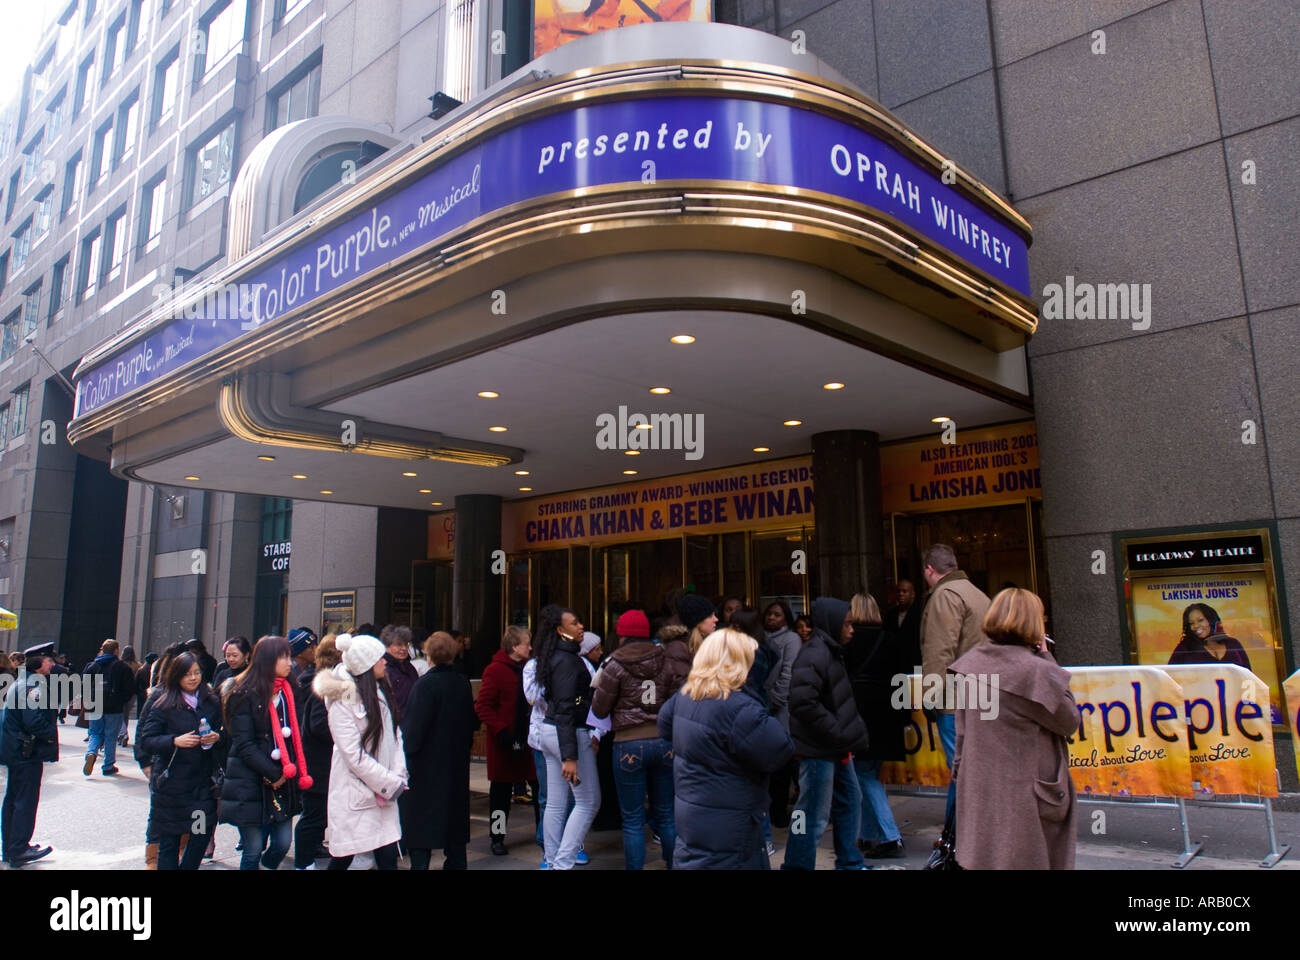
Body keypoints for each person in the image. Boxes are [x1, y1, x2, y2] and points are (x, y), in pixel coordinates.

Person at [951, 588, 1077, 869]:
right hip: (1026, 797)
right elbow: (1069, 720)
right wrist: (1047, 658)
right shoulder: (1035, 672)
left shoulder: (970, 665)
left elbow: (962, 731)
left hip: (980, 791)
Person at [657, 629, 794, 869]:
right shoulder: (739, 706)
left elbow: (665, 725)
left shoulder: (687, 695)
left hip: (693, 812)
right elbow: (780, 750)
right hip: (730, 818)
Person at [590, 608, 690, 869]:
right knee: (666, 813)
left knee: (632, 818)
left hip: (628, 743)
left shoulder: (614, 664)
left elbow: (599, 709)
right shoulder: (666, 660)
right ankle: (675, 865)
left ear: (622, 635)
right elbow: (675, 698)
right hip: (663, 742)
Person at [782, 597, 870, 871]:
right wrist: (836, 731)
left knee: (849, 801)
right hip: (819, 749)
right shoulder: (816, 654)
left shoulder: (829, 651)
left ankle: (850, 862)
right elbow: (803, 702)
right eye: (847, 624)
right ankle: (798, 866)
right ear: (833, 624)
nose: (852, 630)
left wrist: (839, 735)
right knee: (811, 814)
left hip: (833, 746)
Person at [312, 633, 408, 870]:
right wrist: (388, 782)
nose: (385, 662)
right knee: (345, 855)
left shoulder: (378, 691)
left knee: (386, 853)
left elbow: (395, 736)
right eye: (379, 658)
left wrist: (396, 775)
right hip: (357, 791)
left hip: (382, 790)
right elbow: (352, 755)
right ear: (366, 665)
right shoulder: (342, 701)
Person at [220, 636, 310, 870]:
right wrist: (273, 773)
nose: (290, 663)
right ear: (268, 660)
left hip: (284, 780)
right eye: (284, 657)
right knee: (252, 847)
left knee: (282, 844)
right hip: (250, 781)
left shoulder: (290, 691)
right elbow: (244, 744)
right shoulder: (243, 693)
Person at [919, 543, 992, 824]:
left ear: (929, 570)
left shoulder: (944, 596)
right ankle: (960, 835)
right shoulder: (979, 595)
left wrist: (931, 698)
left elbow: (939, 652)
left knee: (962, 771)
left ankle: (960, 837)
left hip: (955, 701)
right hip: (982, 696)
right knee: (970, 770)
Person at [137, 652, 224, 870]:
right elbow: (147, 740)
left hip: (201, 785)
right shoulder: (163, 703)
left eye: (196, 673)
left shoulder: (211, 702)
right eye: (187, 674)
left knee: (200, 833)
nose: (193, 678)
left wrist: (217, 737)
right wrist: (174, 741)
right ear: (176, 676)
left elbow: (226, 734)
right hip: (171, 786)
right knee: (169, 841)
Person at [402, 631, 478, 869]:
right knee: (454, 820)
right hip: (455, 763)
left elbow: (413, 730)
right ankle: (456, 864)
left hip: (426, 766)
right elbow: (471, 723)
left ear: (429, 654)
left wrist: (408, 756)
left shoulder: (424, 685)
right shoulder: (461, 682)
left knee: (421, 823)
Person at [535, 605, 599, 870]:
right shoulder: (567, 662)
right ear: (561, 631)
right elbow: (565, 709)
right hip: (567, 733)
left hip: (550, 733)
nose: (581, 626)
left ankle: (553, 861)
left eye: (580, 622)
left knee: (556, 803)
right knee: (588, 801)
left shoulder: (555, 657)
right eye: (574, 623)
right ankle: (562, 863)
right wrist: (570, 756)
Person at [844, 593, 907, 859]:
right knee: (871, 774)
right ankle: (870, 835)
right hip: (887, 716)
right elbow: (901, 678)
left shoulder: (848, 641)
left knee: (864, 776)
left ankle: (890, 836)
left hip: (860, 716)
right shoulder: (891, 638)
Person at [476, 625, 539, 856]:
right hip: (505, 742)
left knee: (539, 787)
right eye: (526, 643)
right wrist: (501, 730)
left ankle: (543, 832)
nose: (530, 647)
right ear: (514, 647)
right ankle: (497, 837)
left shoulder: (530, 668)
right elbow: (483, 705)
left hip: (530, 739)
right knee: (501, 795)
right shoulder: (495, 670)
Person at [0, 643, 59, 867]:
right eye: (48, 660)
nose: (52, 664)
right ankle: (19, 849)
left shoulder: (22, 682)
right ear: (38, 663)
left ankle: (12, 847)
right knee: (25, 800)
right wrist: (50, 736)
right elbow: (33, 720)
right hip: (27, 752)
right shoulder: (34, 686)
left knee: (14, 800)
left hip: (17, 750)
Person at [294, 634, 339, 869]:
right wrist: (345, 734)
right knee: (314, 816)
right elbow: (318, 724)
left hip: (321, 763)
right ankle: (303, 863)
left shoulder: (322, 680)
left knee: (318, 816)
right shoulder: (320, 684)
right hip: (318, 764)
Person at [762, 600, 801, 829]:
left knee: (783, 762)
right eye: (769, 614)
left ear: (786, 617)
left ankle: (779, 810)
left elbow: (788, 672)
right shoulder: (764, 638)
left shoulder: (791, 639)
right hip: (764, 704)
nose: (772, 618)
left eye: (777, 614)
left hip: (780, 707)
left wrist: (775, 699)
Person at [82, 639, 137, 777]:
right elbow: (129, 688)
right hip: (114, 707)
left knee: (94, 733)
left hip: (95, 705)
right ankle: (108, 765)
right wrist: (121, 700)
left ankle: (91, 752)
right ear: (116, 650)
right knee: (111, 736)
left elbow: (85, 685)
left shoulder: (92, 665)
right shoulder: (122, 667)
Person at [1168, 603, 1252, 671]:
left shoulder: (1233, 643)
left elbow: (1249, 675)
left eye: (1200, 620)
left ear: (1211, 620)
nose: (1196, 626)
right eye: (1191, 623)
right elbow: (1170, 678)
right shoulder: (1185, 648)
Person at [380, 625, 420, 717]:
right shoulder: (383, 668)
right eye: (399, 644)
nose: (404, 648)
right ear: (387, 646)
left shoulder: (409, 667)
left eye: (406, 644)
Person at [885, 579, 923, 671]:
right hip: (895, 665)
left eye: (904, 591)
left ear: (912, 594)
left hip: (915, 665)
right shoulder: (890, 614)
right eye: (898, 591)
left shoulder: (920, 613)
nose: (901, 594)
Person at [118, 645, 141, 747]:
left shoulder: (120, 664)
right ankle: (123, 733)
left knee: (119, 713)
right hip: (132, 693)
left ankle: (122, 734)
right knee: (126, 714)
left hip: (120, 692)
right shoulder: (138, 665)